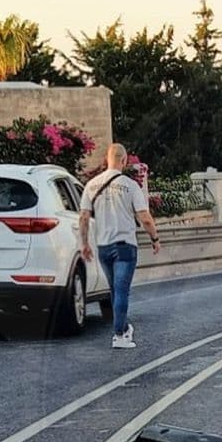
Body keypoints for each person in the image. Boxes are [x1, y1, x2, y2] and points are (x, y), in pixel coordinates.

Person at [78, 142, 161, 349]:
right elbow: (145, 218)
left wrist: (84, 243)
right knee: (122, 290)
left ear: (107, 160)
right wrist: (154, 239)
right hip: (125, 246)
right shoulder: (130, 185)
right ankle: (119, 334)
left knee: (115, 289)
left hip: (103, 246)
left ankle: (123, 328)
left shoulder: (92, 185)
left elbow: (84, 218)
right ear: (124, 161)